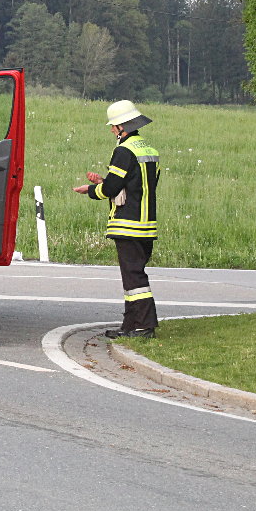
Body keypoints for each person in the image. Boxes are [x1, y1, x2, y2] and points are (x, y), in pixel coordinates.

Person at [74, 100, 161, 339]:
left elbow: (113, 188)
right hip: (146, 224)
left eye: (114, 126)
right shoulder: (148, 149)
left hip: (128, 224)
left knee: (134, 277)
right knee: (133, 275)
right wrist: (105, 182)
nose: (112, 130)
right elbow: (135, 185)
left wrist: (92, 190)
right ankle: (130, 326)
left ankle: (144, 327)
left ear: (123, 126)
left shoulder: (124, 151)